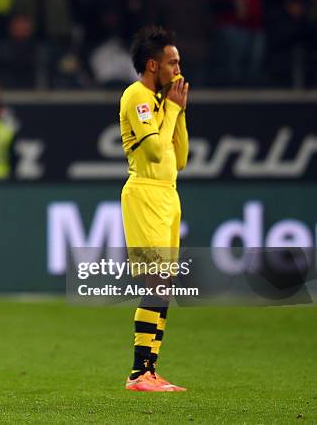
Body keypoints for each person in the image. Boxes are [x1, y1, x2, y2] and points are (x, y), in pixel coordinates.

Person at [118, 26, 189, 392]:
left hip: (168, 193)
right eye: (172, 62)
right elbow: (154, 152)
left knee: (165, 283)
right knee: (156, 280)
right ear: (152, 65)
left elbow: (180, 159)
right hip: (145, 193)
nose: (178, 69)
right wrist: (173, 110)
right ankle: (139, 373)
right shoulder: (137, 96)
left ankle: (149, 369)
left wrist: (178, 111)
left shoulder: (161, 103)